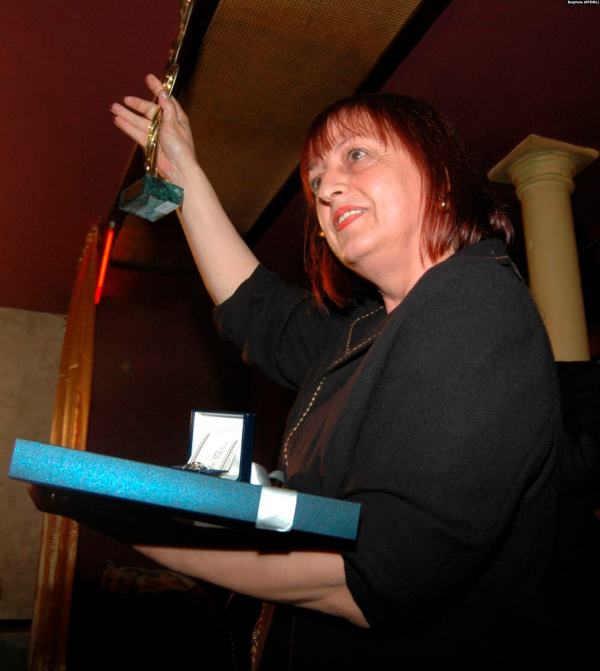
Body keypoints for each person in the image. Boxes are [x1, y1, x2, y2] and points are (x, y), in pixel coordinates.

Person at [111, 75, 561, 669]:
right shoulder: (370, 327)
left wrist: (132, 518)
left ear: (440, 177)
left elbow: (379, 573)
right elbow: (259, 313)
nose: (327, 189)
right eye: (317, 180)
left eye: (357, 155)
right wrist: (184, 175)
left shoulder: (477, 309)